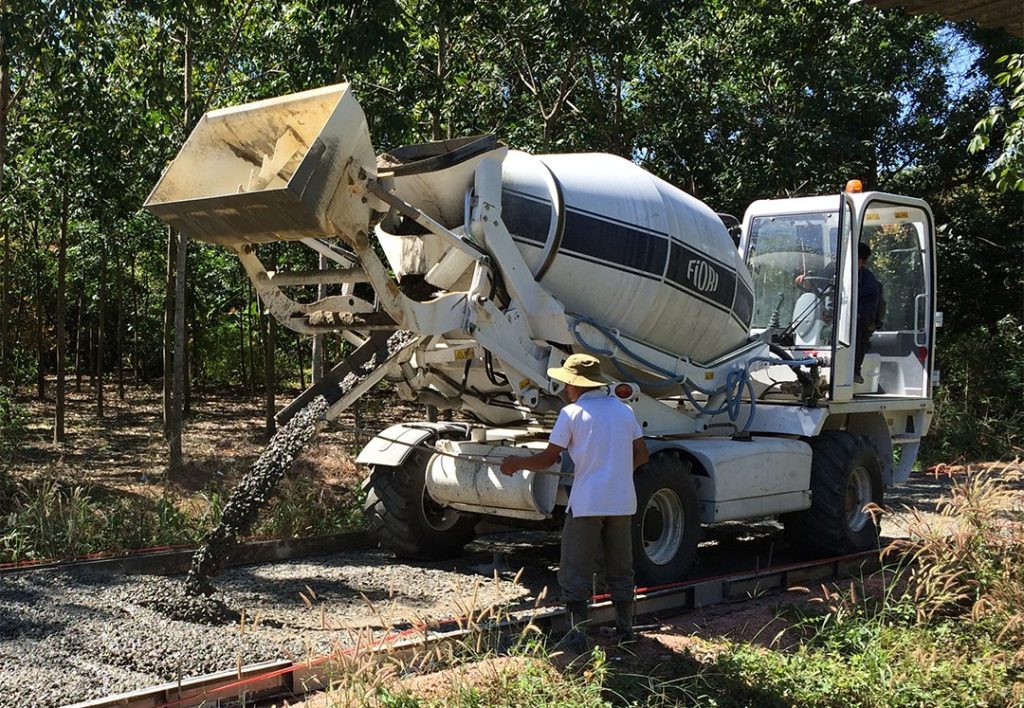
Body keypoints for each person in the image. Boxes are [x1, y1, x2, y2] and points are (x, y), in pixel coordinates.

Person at [499, 353, 649, 650]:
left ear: (576, 385)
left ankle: (577, 635)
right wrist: (617, 473)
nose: (566, 388)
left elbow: (548, 459)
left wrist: (516, 463)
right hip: (621, 503)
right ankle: (625, 630)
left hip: (587, 504)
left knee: (575, 568)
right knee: (621, 566)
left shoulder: (571, 414)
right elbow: (642, 455)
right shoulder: (623, 411)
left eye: (567, 383)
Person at [854, 241, 880, 384]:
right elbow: (819, 284)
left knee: (856, 326)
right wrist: (804, 283)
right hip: (830, 316)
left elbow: (867, 308)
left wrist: (856, 313)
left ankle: (854, 369)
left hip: (858, 319)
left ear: (860, 261)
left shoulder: (868, 281)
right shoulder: (834, 269)